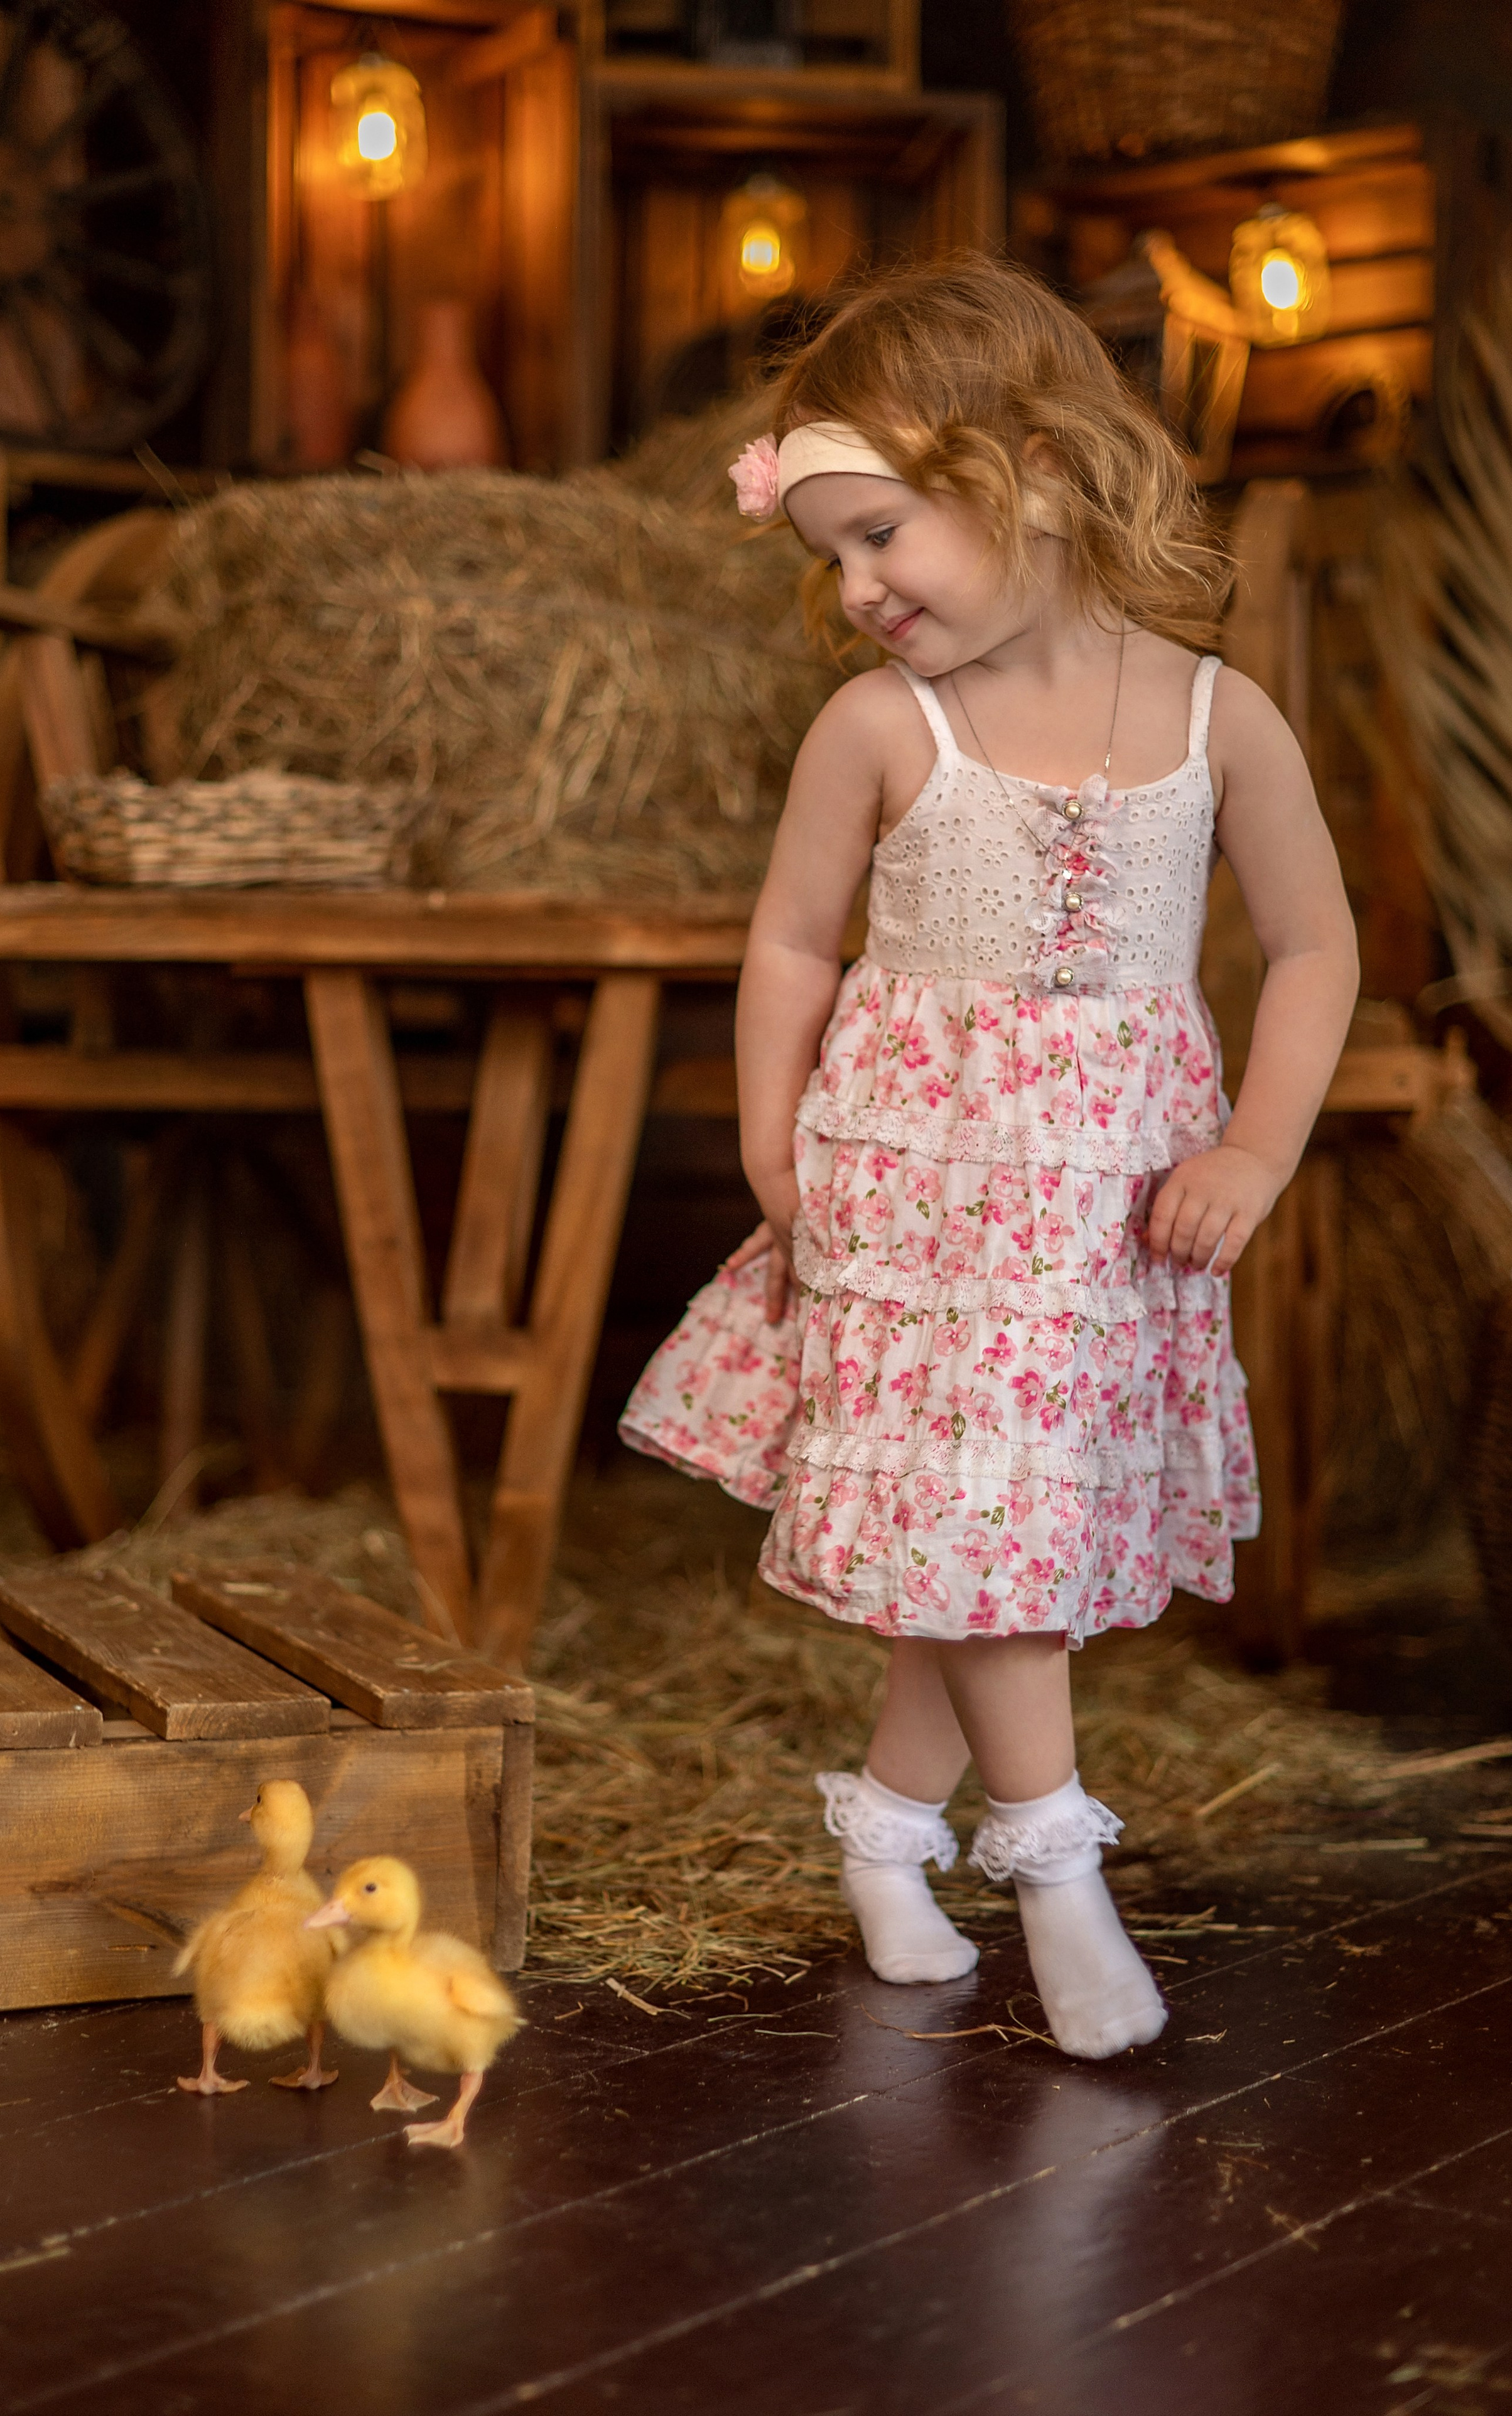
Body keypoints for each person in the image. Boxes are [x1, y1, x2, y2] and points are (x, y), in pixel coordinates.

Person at [621, 257, 1358, 2059]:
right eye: (835, 562)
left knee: (1002, 1543)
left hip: (1106, 1214)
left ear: (1024, 467)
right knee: (994, 1543)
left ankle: (887, 1837)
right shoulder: (883, 730)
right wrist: (778, 1152)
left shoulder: (1216, 720)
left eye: (880, 536)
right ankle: (1051, 1871)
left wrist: (1257, 1149)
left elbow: (1319, 946)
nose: (859, 593)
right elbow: (794, 943)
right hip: (918, 1199)